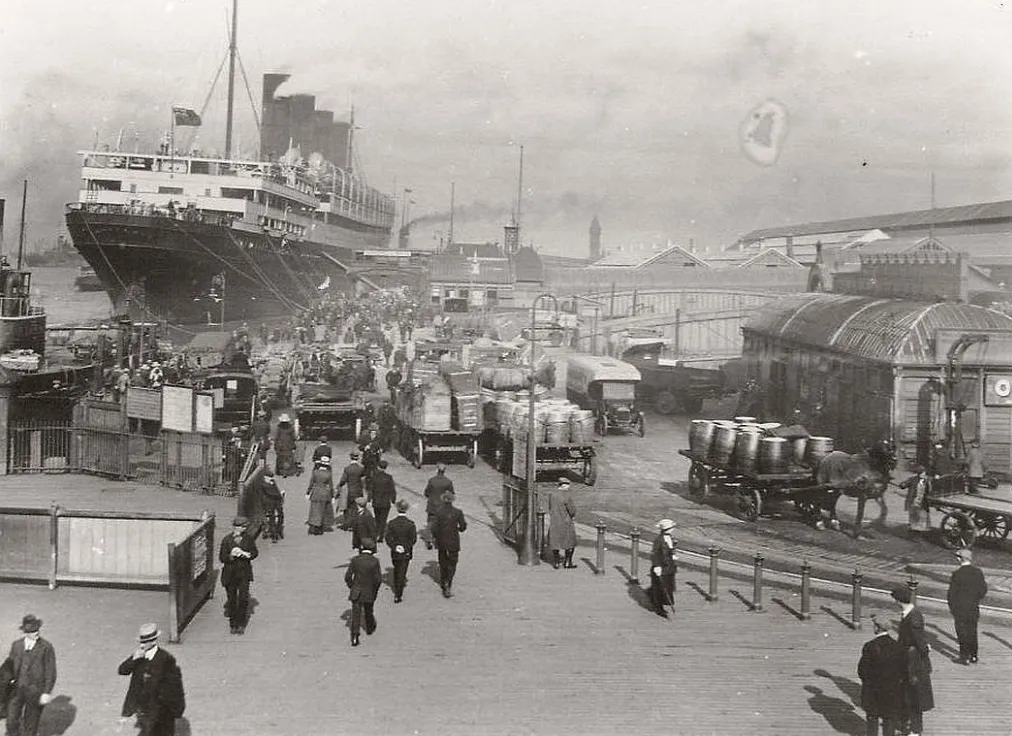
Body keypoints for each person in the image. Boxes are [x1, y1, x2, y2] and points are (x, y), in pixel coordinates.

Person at [117, 623, 185, 736]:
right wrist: (133, 659)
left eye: (144, 642)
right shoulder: (139, 656)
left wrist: (177, 710)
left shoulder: (166, 659)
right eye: (141, 642)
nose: (142, 646)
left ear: (153, 641)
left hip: (162, 712)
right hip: (145, 711)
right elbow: (122, 670)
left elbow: (175, 686)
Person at [891, 585, 934, 736]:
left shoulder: (912, 617)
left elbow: (919, 642)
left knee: (914, 696)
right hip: (909, 661)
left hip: (913, 664)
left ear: (898, 601)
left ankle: (915, 730)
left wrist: (925, 650)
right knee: (909, 695)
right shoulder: (911, 614)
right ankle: (909, 726)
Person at [4, 614, 56, 736]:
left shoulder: (46, 647)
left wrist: (46, 692)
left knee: (31, 724)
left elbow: (51, 671)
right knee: (11, 720)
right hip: (16, 690)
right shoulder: (16, 645)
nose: (36, 633)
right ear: (25, 632)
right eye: (32, 631)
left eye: (37, 629)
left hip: (35, 690)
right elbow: (10, 665)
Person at [858, 614, 906, 736]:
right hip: (891, 689)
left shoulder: (870, 646)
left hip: (873, 689)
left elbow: (862, 670)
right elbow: (903, 669)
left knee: (872, 717)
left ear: (877, 627)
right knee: (889, 718)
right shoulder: (897, 646)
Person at [946, 547, 988, 665]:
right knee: (972, 631)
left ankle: (964, 656)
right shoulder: (978, 572)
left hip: (960, 608)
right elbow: (983, 590)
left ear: (960, 559)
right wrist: (975, 599)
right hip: (973, 607)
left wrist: (952, 608)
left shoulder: (957, 574)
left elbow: (951, 594)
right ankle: (974, 655)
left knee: (962, 632)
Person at [219, 516, 258, 634]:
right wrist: (231, 556)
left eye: (245, 526)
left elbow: (255, 552)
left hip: (244, 573)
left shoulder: (249, 539)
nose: (244, 528)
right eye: (243, 527)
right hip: (230, 574)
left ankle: (241, 624)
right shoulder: (226, 540)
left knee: (243, 599)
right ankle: (233, 624)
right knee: (231, 599)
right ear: (236, 527)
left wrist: (248, 555)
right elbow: (221, 557)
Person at [344, 538, 382, 647]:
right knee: (369, 610)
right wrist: (375, 590)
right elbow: (378, 579)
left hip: (357, 591)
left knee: (356, 615)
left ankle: (355, 636)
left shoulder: (355, 560)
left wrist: (352, 586)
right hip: (369, 590)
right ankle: (369, 628)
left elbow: (347, 577)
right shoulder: (374, 561)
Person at [431, 491, 467, 598]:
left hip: (442, 540)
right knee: (453, 562)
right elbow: (463, 526)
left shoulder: (438, 512)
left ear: (443, 500)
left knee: (442, 561)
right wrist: (458, 529)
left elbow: (434, 528)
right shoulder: (458, 512)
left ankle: (443, 581)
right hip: (453, 540)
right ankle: (448, 582)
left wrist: (436, 536)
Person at [385, 500, 417, 603]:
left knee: (397, 568)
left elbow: (388, 538)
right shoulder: (410, 524)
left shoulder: (392, 523)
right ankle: (398, 593)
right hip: (406, 551)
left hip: (395, 552)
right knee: (402, 570)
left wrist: (395, 547)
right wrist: (406, 547)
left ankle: (397, 586)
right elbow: (413, 539)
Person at [649, 519, 678, 618]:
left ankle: (654, 597)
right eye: (672, 528)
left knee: (668, 586)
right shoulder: (658, 540)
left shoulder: (670, 537)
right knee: (661, 588)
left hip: (669, 566)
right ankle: (658, 607)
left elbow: (671, 549)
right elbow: (654, 554)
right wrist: (657, 566)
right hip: (661, 567)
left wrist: (673, 555)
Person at [548, 477, 578, 569]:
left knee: (555, 542)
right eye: (568, 485)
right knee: (570, 542)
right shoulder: (567, 496)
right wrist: (572, 515)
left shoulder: (552, 495)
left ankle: (556, 563)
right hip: (566, 522)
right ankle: (568, 562)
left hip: (555, 521)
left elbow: (550, 507)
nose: (569, 487)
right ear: (564, 485)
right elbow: (572, 510)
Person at [423, 463, 454, 550]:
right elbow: (451, 493)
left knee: (430, 523)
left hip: (432, 505)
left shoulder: (432, 480)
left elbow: (426, 492)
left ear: (437, 470)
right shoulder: (448, 481)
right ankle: (438, 540)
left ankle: (429, 540)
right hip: (443, 506)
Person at [900, 466, 931, 539]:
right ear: (919, 474)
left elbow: (929, 490)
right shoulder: (912, 479)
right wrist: (903, 485)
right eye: (923, 473)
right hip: (913, 501)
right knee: (914, 517)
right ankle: (913, 534)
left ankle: (919, 532)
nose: (924, 475)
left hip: (922, 502)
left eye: (925, 473)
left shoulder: (926, 481)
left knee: (923, 517)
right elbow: (903, 485)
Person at [306, 457, 334, 536]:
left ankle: (314, 526)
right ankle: (320, 527)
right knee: (323, 510)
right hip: (325, 493)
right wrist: (332, 496)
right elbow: (331, 486)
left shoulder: (315, 472)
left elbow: (311, 483)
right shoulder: (328, 474)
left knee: (314, 510)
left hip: (316, 492)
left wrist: (308, 492)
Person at [370, 459, 396, 543]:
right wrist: (393, 499)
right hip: (385, 502)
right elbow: (392, 489)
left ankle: (376, 533)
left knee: (377, 518)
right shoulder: (389, 478)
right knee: (383, 519)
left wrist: (369, 498)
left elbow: (371, 489)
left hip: (376, 501)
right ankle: (381, 536)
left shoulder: (374, 477)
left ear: (378, 467)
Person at [337, 452, 366, 529]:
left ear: (351, 457)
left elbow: (343, 480)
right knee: (356, 507)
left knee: (347, 508)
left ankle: (347, 523)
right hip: (358, 490)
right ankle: (355, 524)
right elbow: (363, 480)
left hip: (349, 490)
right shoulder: (361, 469)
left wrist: (339, 485)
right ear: (358, 458)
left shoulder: (347, 469)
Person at [260, 467, 285, 542]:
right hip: (269, 503)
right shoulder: (264, 484)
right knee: (272, 517)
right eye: (269, 478)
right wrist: (280, 495)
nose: (270, 479)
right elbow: (273, 493)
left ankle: (278, 529)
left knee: (280, 515)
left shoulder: (271, 482)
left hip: (274, 502)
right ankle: (275, 534)